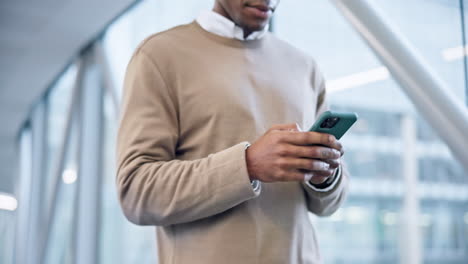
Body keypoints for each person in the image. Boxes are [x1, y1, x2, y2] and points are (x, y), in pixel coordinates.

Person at [117, 0, 349, 263]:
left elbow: (330, 204)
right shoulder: (158, 55)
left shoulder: (305, 67)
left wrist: (326, 176)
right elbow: (136, 193)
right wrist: (247, 166)